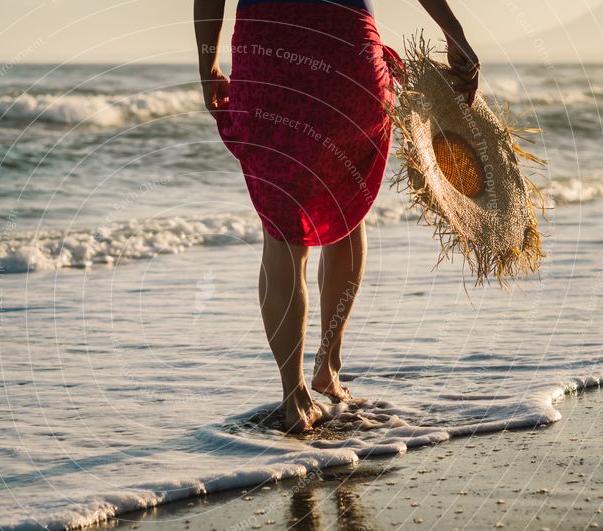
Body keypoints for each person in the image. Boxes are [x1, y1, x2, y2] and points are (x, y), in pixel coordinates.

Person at [194, 0, 479, 434]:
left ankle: (294, 396)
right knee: (346, 213)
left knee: (283, 235)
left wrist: (207, 62)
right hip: (348, 53)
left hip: (270, 50)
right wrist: (455, 33)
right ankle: (328, 365)